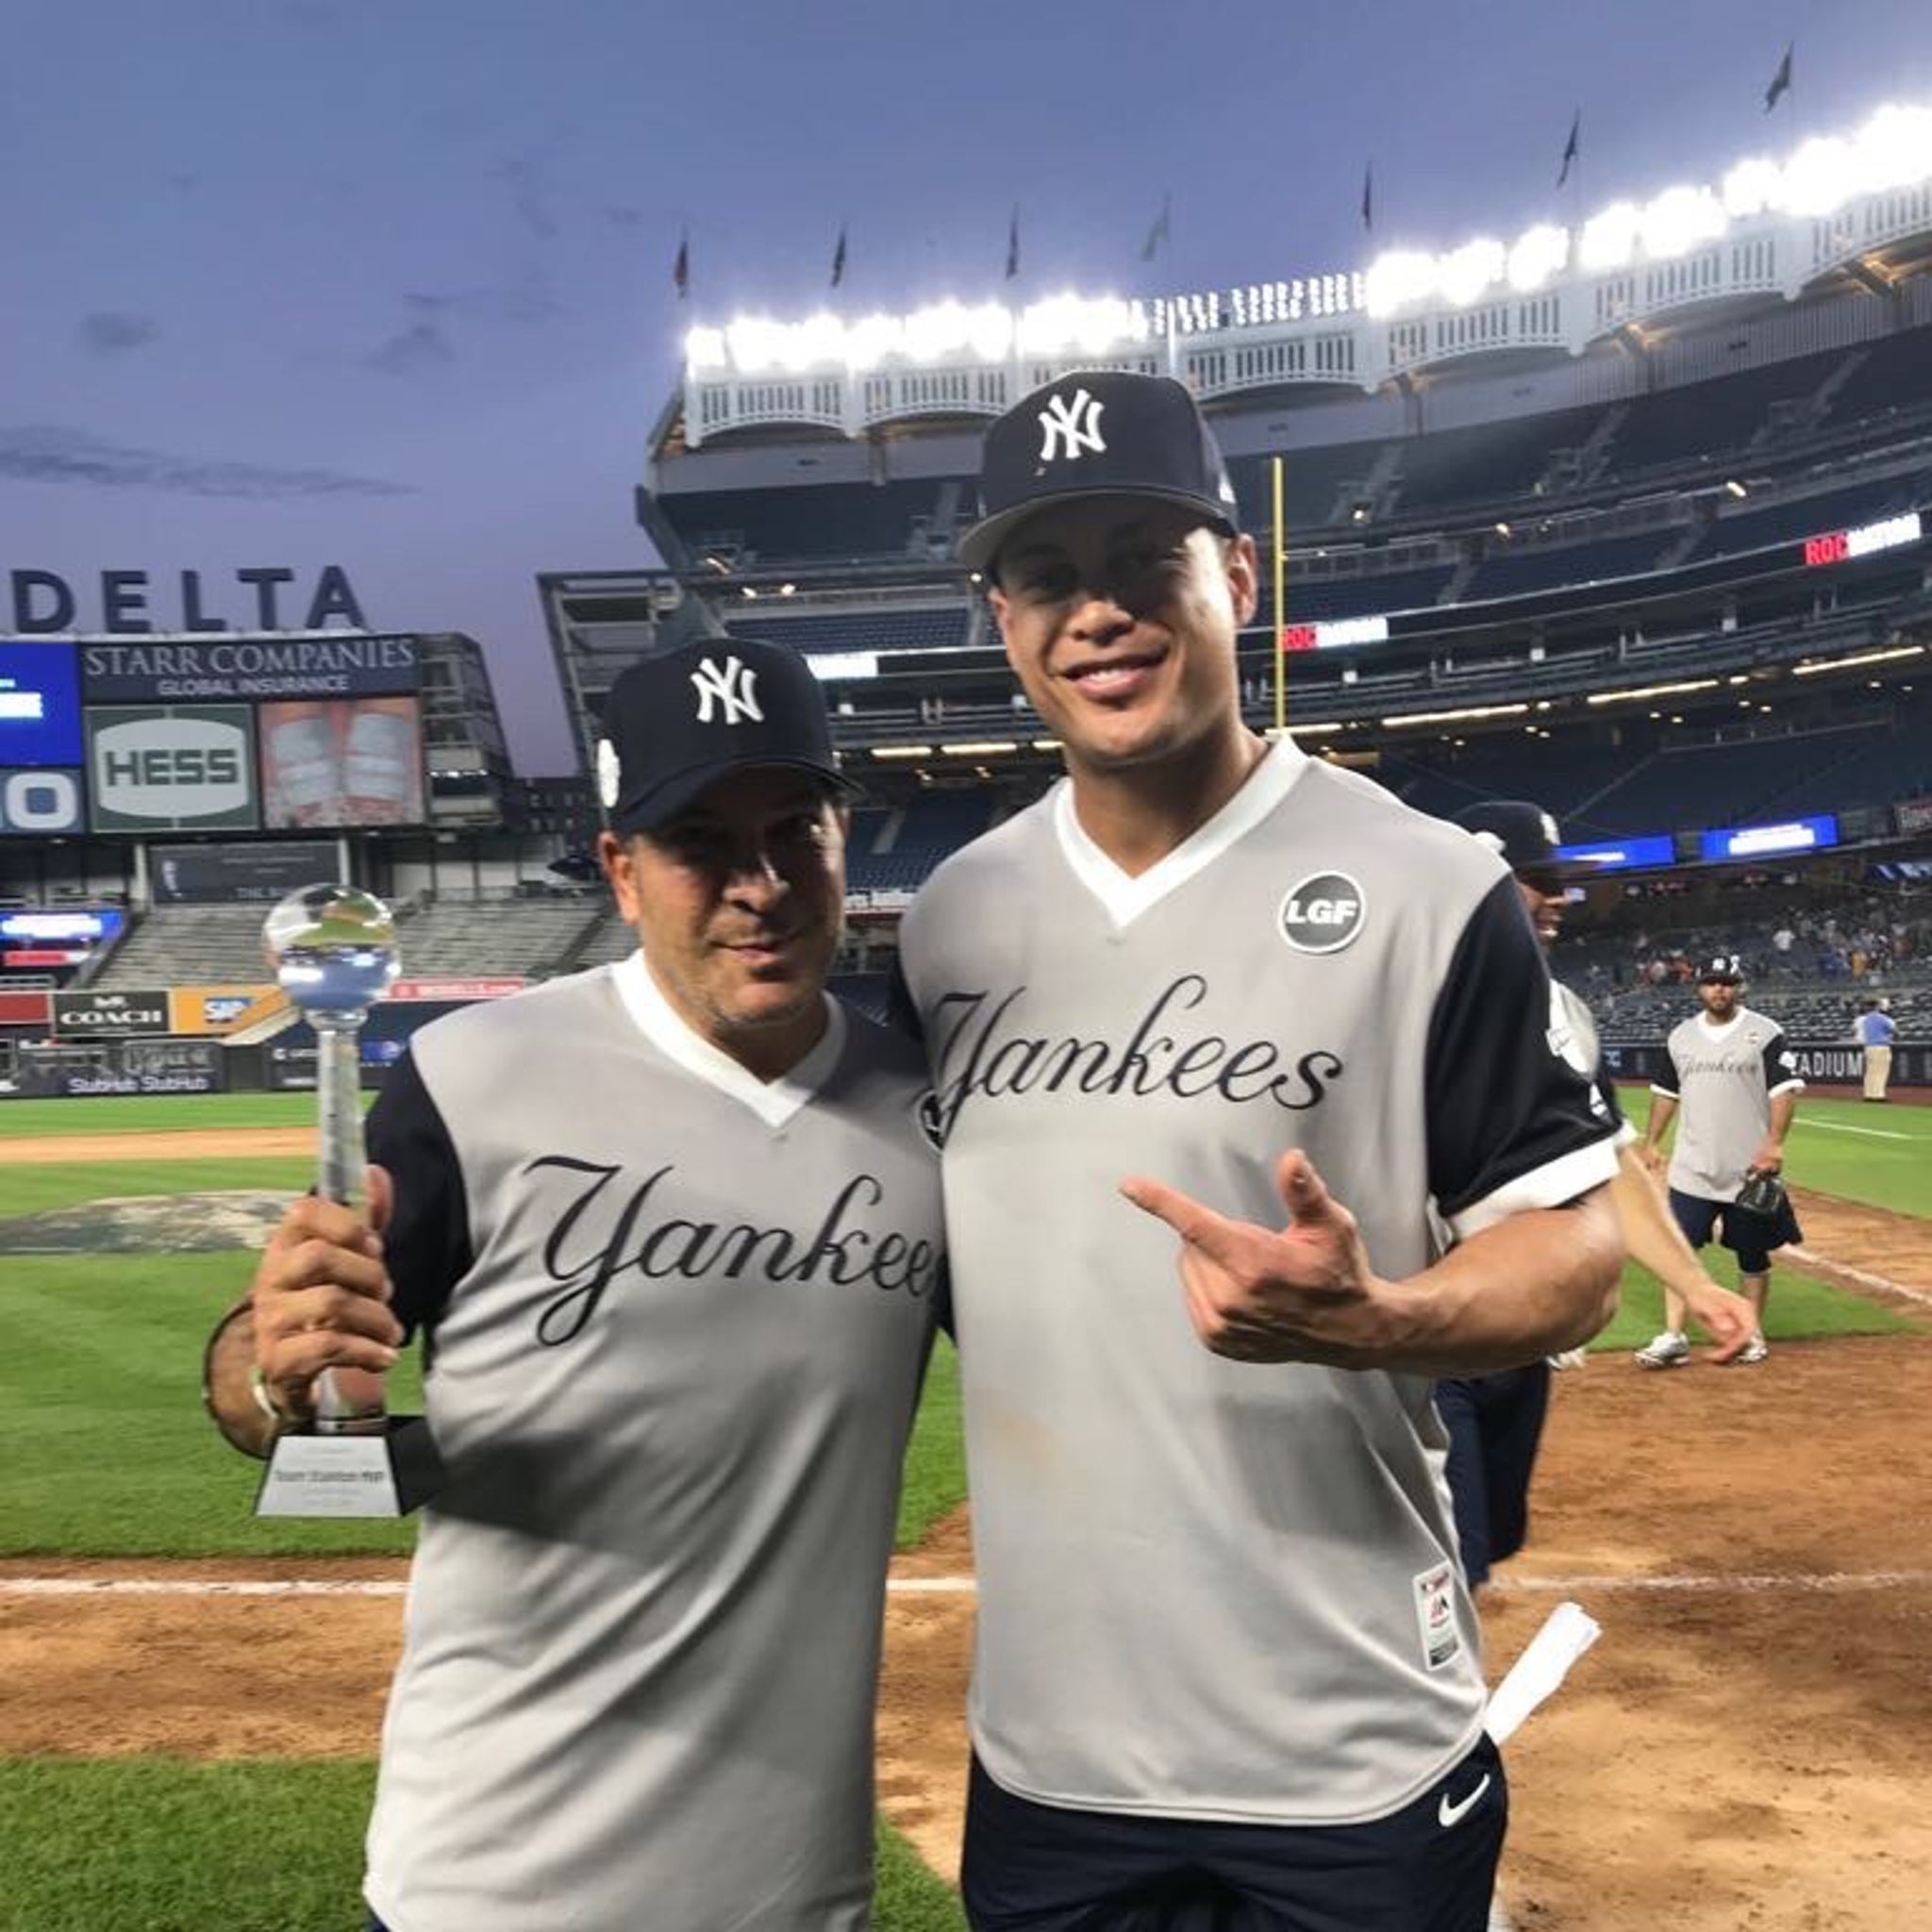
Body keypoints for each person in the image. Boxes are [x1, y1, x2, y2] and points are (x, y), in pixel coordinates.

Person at [896, 370, 1624, 1932]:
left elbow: (1571, 1252)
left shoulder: (1427, 887)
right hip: (1051, 1757)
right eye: (1043, 574)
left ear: (1233, 574)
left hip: (1348, 1748)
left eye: (1138, 557)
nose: (1093, 609)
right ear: (1002, 618)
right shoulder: (950, 920)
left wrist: (1385, 1321)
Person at [201, 637, 944, 1932]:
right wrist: (272, 1373)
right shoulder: (477, 1072)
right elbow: (284, 1391)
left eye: (795, 831)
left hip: (792, 1894)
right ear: (621, 868)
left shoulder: (926, 1114)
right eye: (703, 842)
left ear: (844, 836)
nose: (760, 886)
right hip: (486, 1883)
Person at [1437, 803, 1757, 1593]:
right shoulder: (1408, 993)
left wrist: (1694, 1283)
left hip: (1520, 1334)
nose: (1560, 900)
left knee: (1492, 1545)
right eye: (1538, 881)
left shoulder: (1564, 1010)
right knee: (1445, 1575)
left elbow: (1608, 1164)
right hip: (1426, 1333)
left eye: (1562, 883)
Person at [1635, 955, 1802, 1370]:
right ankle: (1673, 1336)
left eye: (1727, 982)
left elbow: (1784, 1091)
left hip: (1748, 1171)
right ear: (1699, 987)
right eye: (1711, 982)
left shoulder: (1765, 1033)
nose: (1719, 990)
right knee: (1678, 1252)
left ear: (1739, 986)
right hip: (1692, 1168)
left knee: (1752, 1255)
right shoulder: (1680, 1036)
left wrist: (1774, 1144)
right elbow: (1665, 1093)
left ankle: (1752, 1335)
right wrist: (1652, 1140)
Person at [1857, 996, 1896, 1102]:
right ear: (1877, 1006)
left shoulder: (1865, 1019)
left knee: (1870, 1072)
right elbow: (1893, 1029)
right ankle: (1878, 1095)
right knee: (1880, 1072)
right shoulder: (1881, 1018)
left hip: (1869, 1047)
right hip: (1880, 1046)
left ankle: (1868, 1094)